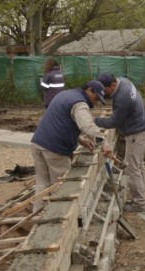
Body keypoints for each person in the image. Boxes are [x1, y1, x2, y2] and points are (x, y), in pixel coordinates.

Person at [30, 80, 110, 212]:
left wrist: (80, 140)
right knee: (62, 188)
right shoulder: (80, 104)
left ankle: (38, 214)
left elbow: (61, 121)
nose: (95, 102)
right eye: (96, 98)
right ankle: (57, 220)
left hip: (38, 142)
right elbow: (87, 126)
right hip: (55, 149)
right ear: (90, 90)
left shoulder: (66, 94)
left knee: (42, 184)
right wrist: (104, 144)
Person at [94, 72, 145, 213]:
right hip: (144, 128)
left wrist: (96, 121)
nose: (104, 93)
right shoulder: (124, 81)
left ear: (113, 85)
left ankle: (140, 204)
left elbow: (115, 121)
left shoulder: (122, 97)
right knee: (138, 165)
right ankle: (142, 197)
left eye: (105, 90)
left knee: (131, 169)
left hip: (137, 134)